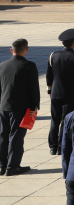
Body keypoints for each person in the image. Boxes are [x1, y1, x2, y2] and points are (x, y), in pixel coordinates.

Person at [0, 38, 40, 176]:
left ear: (11, 50)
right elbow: (33, 88)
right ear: (26, 49)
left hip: (3, 106)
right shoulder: (29, 66)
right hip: (21, 107)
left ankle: (2, 165)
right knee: (16, 136)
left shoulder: (2, 65)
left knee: (3, 135)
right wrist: (34, 106)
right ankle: (12, 166)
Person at [48, 29, 74, 156]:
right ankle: (61, 145)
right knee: (65, 120)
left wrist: (49, 90)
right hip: (70, 93)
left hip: (55, 92)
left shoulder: (53, 55)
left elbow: (49, 74)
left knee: (54, 120)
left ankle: (52, 146)